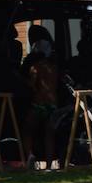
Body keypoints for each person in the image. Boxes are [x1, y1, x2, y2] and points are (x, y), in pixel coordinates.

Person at [21, 24, 59, 168]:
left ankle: (30, 154)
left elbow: (31, 85)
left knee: (28, 129)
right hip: (53, 103)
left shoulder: (35, 67)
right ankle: (49, 165)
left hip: (38, 104)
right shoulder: (54, 67)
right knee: (49, 134)